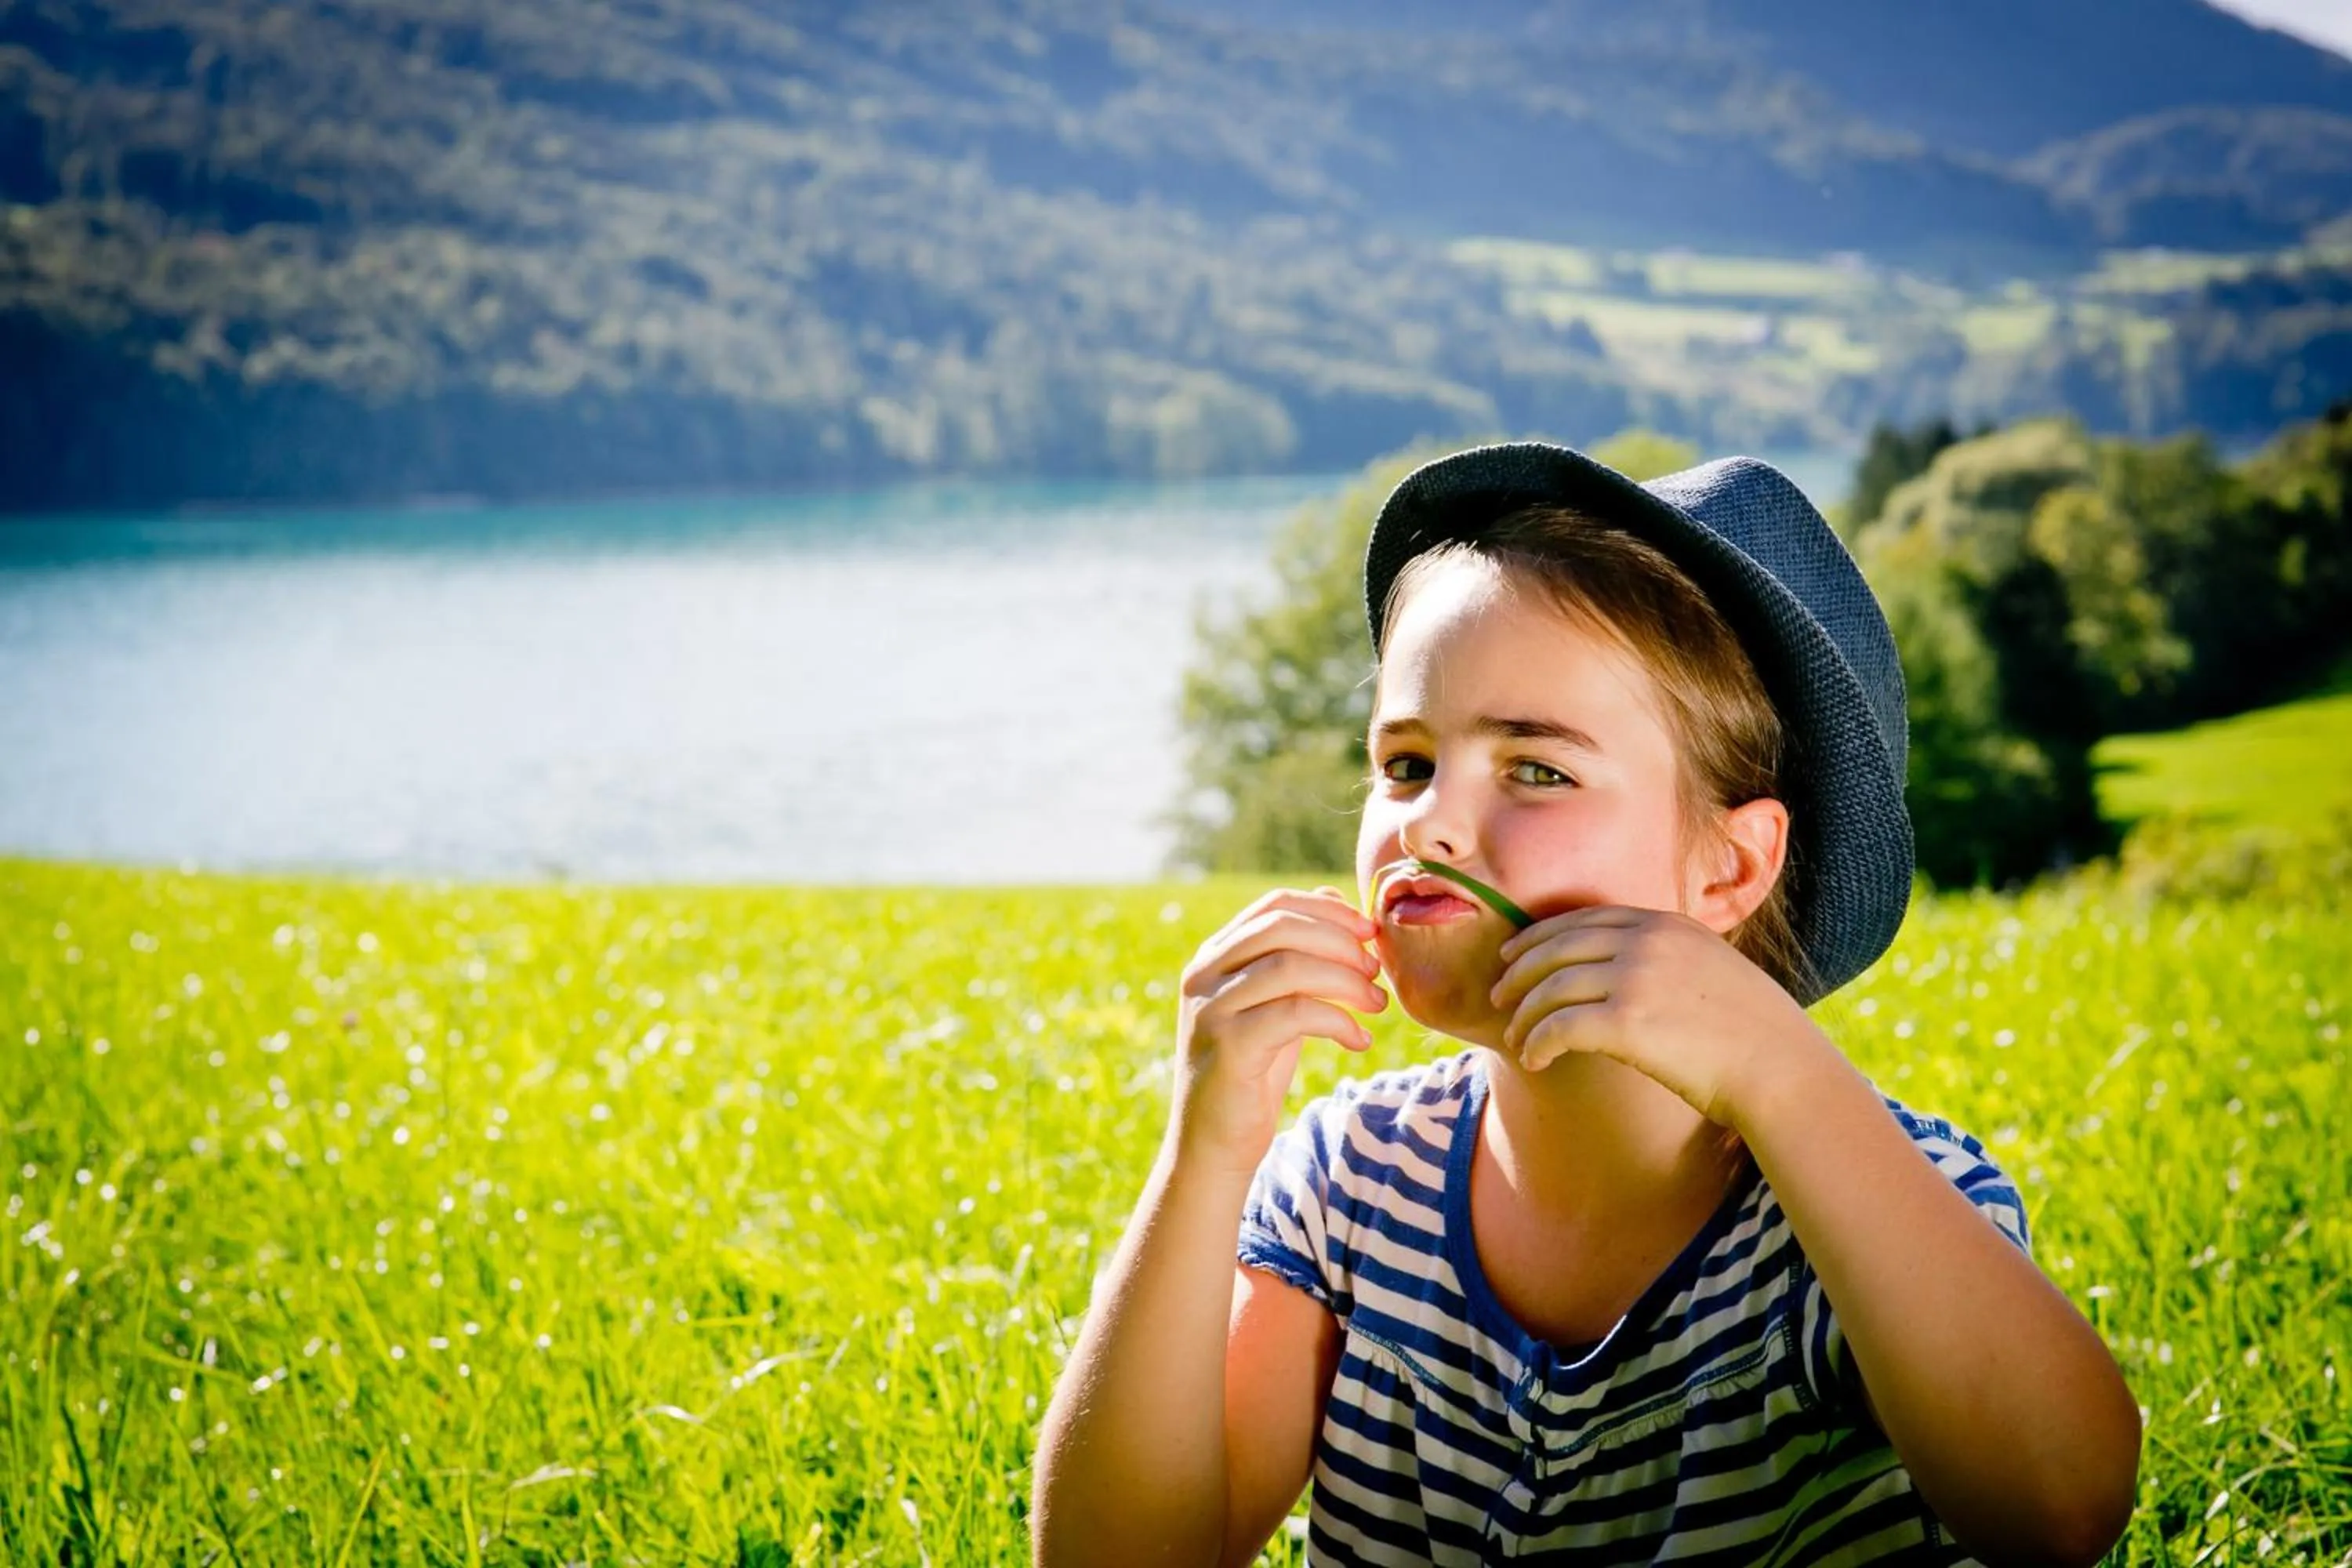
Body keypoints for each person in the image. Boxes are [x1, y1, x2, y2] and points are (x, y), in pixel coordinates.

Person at [1032, 444, 2142, 1566]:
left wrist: (1780, 1067)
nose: (1429, 825)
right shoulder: (1347, 1188)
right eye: (1407, 765)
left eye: (1537, 771)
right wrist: (1204, 1156)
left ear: (1728, 871)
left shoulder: (1867, 1207)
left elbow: (2061, 1510)